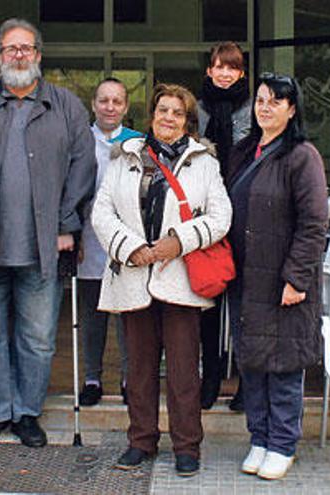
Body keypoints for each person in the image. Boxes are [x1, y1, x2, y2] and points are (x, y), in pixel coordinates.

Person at [0, 18, 96, 449]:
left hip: (44, 246)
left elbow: (82, 169)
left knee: (39, 338)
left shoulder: (65, 106)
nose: (19, 55)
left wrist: (69, 224)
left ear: (39, 56)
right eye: (11, 49)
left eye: (26, 48)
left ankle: (27, 413)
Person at [92, 83, 232, 477]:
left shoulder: (204, 162)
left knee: (185, 372)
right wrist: (129, 247)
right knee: (137, 369)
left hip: (180, 277)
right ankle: (141, 441)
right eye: (162, 110)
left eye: (177, 112)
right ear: (152, 115)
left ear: (188, 121)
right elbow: (102, 213)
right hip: (133, 274)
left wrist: (178, 242)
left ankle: (187, 447)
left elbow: (221, 217)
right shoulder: (126, 156)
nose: (168, 118)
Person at [225, 74, 328, 480]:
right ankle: (260, 438)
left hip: (283, 280)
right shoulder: (244, 152)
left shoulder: (302, 156)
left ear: (292, 109)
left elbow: (314, 223)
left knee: (283, 364)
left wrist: (297, 279)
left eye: (275, 101)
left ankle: (283, 444)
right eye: (261, 100)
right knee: (253, 361)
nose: (265, 107)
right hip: (246, 277)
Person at [77, 77, 143, 407]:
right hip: (90, 241)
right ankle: (92, 378)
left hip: (127, 241)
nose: (110, 107)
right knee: (92, 315)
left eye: (117, 101)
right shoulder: (80, 142)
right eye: (104, 100)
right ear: (94, 104)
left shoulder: (139, 143)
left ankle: (129, 378)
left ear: (126, 107)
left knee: (126, 315)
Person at [196, 41, 252, 410]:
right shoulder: (197, 109)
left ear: (241, 73)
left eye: (232, 67)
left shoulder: (253, 107)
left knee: (245, 306)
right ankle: (210, 379)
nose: (226, 73)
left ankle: (247, 384)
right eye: (220, 66)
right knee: (208, 302)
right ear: (210, 70)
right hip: (207, 215)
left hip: (246, 212)